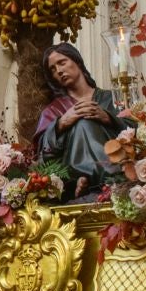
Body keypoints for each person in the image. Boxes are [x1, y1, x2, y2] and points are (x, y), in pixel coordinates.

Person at [35, 42, 124, 197]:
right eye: (53, 69)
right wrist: (61, 124)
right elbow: (42, 153)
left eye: (62, 63)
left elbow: (136, 129)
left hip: (118, 159)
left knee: (84, 123)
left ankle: (91, 179)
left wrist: (109, 118)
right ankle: (101, 181)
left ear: (77, 61)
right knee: (84, 123)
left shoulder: (111, 98)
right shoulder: (53, 110)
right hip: (70, 171)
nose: (59, 71)